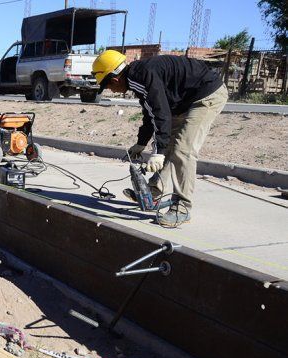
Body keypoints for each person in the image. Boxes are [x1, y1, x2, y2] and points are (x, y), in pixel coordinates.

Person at [92, 50, 228, 227]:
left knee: (183, 149)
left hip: (206, 95)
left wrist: (159, 152)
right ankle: (154, 192)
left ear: (115, 79)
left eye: (108, 86)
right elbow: (151, 112)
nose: (111, 90)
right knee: (167, 144)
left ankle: (182, 207)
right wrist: (141, 143)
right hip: (185, 100)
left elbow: (161, 113)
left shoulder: (141, 76)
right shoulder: (137, 77)